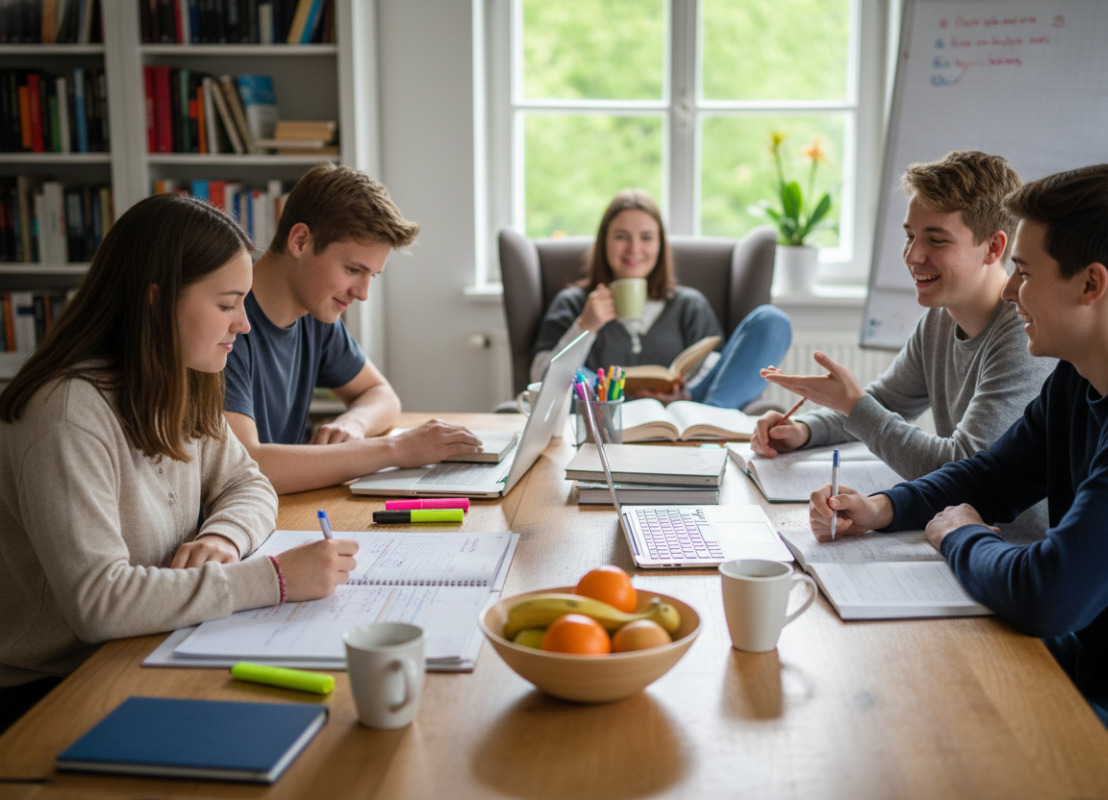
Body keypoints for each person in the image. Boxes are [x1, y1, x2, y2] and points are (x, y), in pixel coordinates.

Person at [810, 164, 1108, 798]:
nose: (1011, 289)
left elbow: (1050, 592)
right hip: (1105, 664)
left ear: (1091, 284)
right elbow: (994, 475)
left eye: (1024, 271)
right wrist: (884, 507)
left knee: (968, 768)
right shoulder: (1082, 373)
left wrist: (959, 536)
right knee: (906, 704)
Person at [0, 193, 358, 733]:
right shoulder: (67, 414)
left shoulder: (182, 380)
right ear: (156, 300)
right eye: (226, 303)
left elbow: (249, 482)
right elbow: (99, 603)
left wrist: (226, 539)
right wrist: (273, 579)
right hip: (54, 686)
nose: (243, 324)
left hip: (151, 644)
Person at [751, 151, 1054, 541]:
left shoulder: (1021, 336)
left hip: (1010, 550)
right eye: (910, 235)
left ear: (994, 248)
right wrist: (803, 430)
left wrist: (852, 405)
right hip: (955, 535)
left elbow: (961, 465)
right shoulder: (939, 320)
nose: (913, 256)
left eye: (936, 240)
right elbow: (886, 402)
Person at [223, 164, 482, 495]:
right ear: (300, 241)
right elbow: (250, 467)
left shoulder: (315, 314)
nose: (362, 293)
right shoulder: (226, 324)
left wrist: (353, 424)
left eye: (371, 275)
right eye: (352, 269)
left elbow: (381, 395)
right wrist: (397, 450)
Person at [530, 188, 792, 410]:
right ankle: (685, 421)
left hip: (684, 409)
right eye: (621, 237)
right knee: (562, 373)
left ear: (659, 246)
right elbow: (539, 377)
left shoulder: (688, 304)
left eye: (646, 238)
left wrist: (685, 395)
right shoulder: (574, 303)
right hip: (605, 413)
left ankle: (707, 421)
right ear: (604, 243)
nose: (634, 249)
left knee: (772, 320)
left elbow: (716, 368)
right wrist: (586, 325)